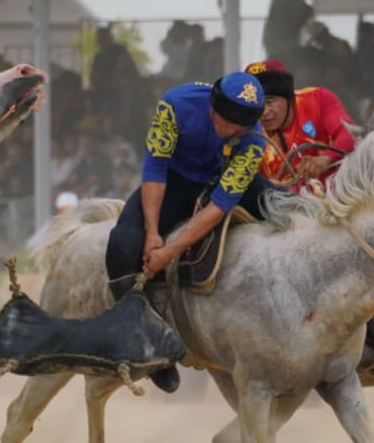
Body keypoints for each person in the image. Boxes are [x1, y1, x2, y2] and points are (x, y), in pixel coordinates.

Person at [104, 72, 270, 393]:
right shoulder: (175, 104)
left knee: (284, 207)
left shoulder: (253, 139)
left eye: (241, 127)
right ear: (212, 108)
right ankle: (148, 345)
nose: (232, 131)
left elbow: (219, 205)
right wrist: (153, 233)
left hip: (218, 185)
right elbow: (155, 166)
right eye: (227, 122)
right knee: (122, 248)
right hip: (173, 181)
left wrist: (169, 251)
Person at [243, 59, 355, 188]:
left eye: (269, 102)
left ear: (289, 98)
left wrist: (326, 159)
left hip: (340, 198)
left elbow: (348, 134)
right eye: (256, 105)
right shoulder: (249, 132)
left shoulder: (318, 99)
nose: (264, 112)